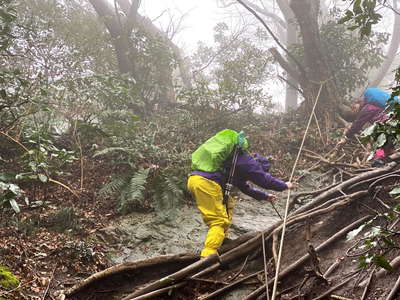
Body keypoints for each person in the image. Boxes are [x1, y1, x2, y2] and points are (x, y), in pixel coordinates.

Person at [187, 150, 294, 257]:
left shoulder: (238, 166)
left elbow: (245, 188)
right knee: (219, 222)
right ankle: (207, 257)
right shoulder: (249, 162)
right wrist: (284, 185)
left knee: (228, 205)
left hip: (195, 180)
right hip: (207, 183)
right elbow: (265, 180)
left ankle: (222, 242)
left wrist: (265, 196)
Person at [338, 89, 395, 166]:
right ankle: (391, 160)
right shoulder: (376, 106)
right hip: (390, 125)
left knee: (379, 148)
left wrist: (346, 137)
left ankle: (377, 166)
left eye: (354, 107)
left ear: (358, 103)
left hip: (384, 128)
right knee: (388, 148)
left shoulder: (368, 108)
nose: (354, 110)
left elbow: (357, 125)